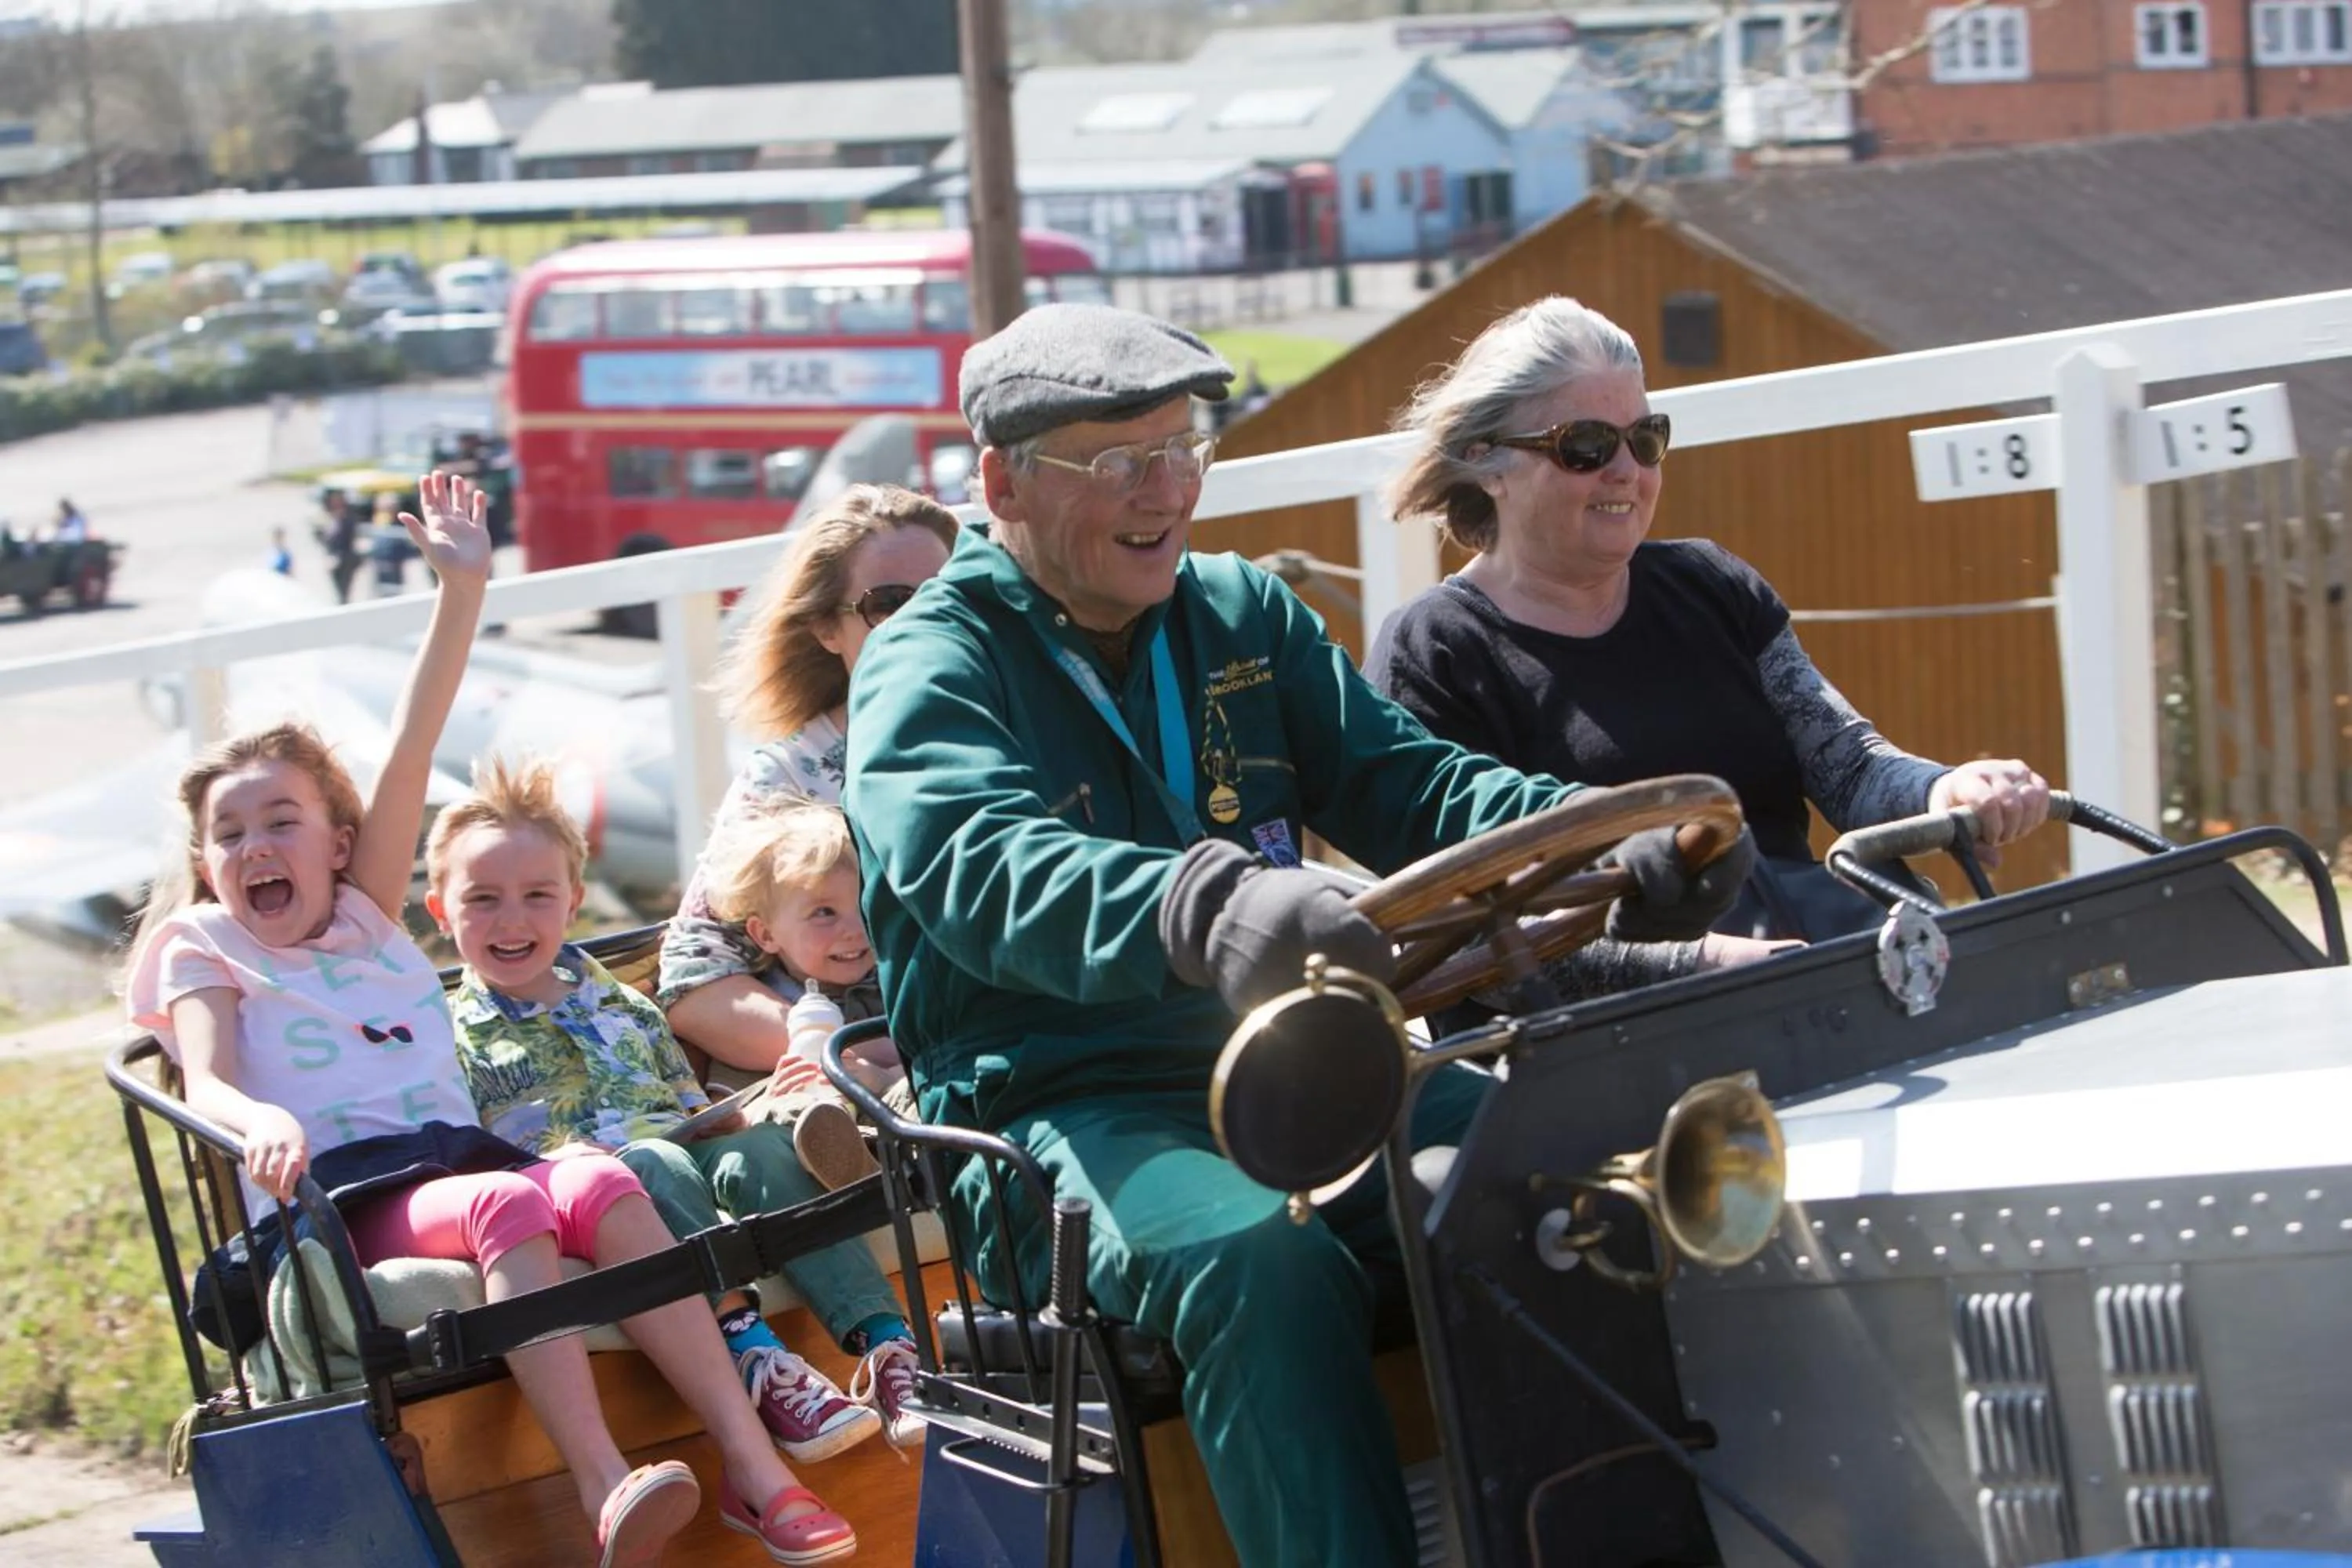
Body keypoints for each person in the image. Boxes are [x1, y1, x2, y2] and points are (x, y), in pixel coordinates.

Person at [840, 302, 1756, 1568]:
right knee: (1261, 1268)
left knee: (1557, 1175)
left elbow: (1415, 784)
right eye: (1118, 463)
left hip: (1298, 1070)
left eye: (1184, 448)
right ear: (1001, 481)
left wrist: (1601, 836)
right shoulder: (930, 667)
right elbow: (980, 866)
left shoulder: (1239, 617)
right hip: (1058, 1114)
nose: (1167, 490)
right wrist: (1199, 906)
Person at [123, 474, 851, 1567]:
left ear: (337, 844)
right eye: (231, 836)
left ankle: (758, 1472)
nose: (257, 848)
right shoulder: (210, 947)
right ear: (205, 864)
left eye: (284, 820)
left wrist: (462, 589)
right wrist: (246, 1118)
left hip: (447, 1163)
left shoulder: (363, 917)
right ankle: (605, 1484)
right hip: (342, 1193)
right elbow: (208, 1070)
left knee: (599, 1182)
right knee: (507, 1203)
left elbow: (417, 743)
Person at [1367, 296, 2054, 942]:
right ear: (1489, 465)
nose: (1625, 470)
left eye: (1645, 438)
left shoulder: (1709, 584)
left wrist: (1946, 788)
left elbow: (1850, 770)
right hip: (1619, 1034)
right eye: (1586, 445)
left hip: (1797, 968)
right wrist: (1708, 961)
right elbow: (1465, 930)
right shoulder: (1434, 653)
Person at [430, 757, 924, 1458]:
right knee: (654, 1162)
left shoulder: (626, 1004)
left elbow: (679, 1096)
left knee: (761, 1152)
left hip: (679, 1148)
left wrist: (728, 1112)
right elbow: (466, 1155)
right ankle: (754, 1354)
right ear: (441, 910)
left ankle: (886, 1347)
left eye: (538, 895)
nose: (512, 920)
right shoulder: (446, 1033)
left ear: (573, 900)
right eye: (484, 899)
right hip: (586, 1195)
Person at [659, 484, 956, 1086]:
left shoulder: (1031, 737)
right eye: (890, 602)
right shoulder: (789, 779)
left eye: (946, 595)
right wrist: (852, 1066)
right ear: (826, 628)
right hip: (889, 1088)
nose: (925, 620)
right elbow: (695, 979)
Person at [691, 797, 911, 1188]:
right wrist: (763, 1103)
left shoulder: (894, 987)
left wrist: (876, 1077)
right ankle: (853, 1167)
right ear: (766, 934)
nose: (855, 929)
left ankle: (884, 1165)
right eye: (824, 913)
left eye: (863, 904)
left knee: (919, 1087)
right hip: (809, 1127)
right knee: (789, 1110)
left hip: (893, 1118)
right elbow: (727, 1114)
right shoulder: (761, 1005)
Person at [318, 492, 363, 605]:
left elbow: (350, 537)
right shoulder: (328, 518)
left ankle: (344, 605)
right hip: (333, 558)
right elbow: (323, 538)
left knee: (344, 589)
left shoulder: (349, 518)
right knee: (337, 589)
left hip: (346, 559)